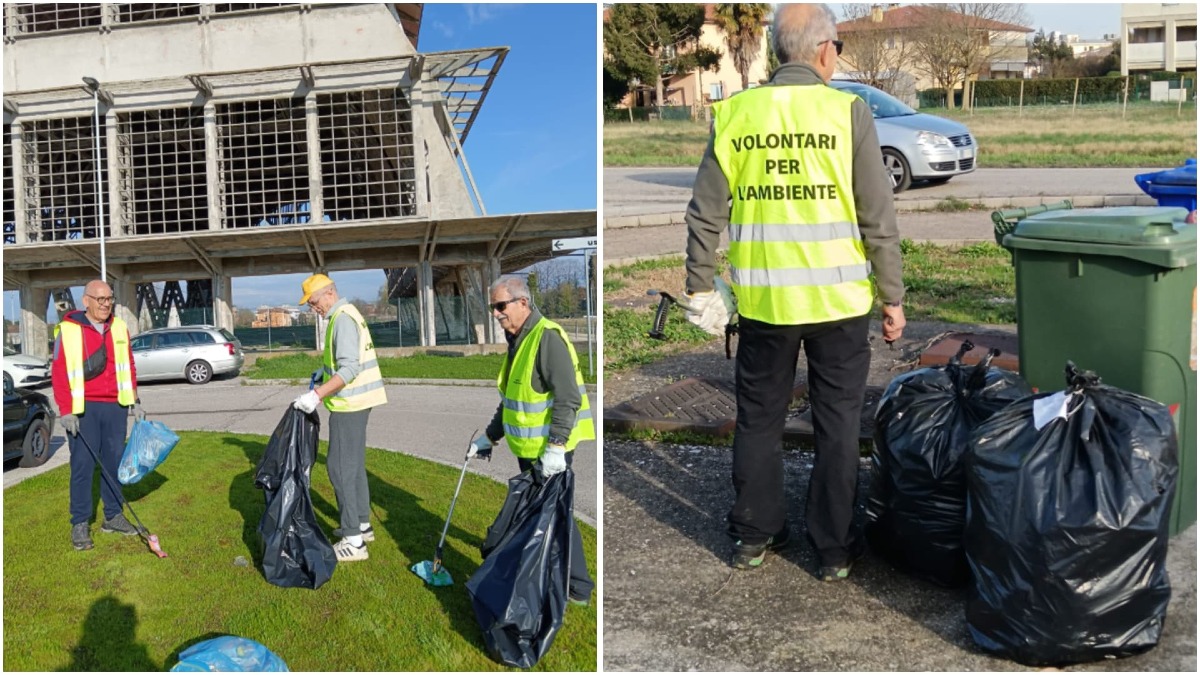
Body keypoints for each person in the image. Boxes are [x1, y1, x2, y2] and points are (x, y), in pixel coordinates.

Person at [681, 3, 906, 582]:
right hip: (839, 306)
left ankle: (755, 535)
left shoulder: (734, 114)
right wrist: (892, 296)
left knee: (758, 420)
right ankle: (832, 549)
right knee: (838, 423)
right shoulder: (847, 112)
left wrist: (698, 287)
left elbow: (705, 212)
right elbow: (876, 214)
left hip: (765, 306)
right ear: (825, 49)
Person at [467, 275, 596, 605]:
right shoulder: (519, 339)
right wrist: (489, 437)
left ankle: (578, 587)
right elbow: (512, 400)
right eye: (493, 307)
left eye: (500, 306)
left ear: (522, 303)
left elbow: (568, 398)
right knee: (545, 516)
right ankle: (555, 578)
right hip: (530, 449)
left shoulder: (546, 337)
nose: (496, 313)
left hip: (550, 450)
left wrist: (555, 448)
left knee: (555, 515)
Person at [293, 274, 388, 562]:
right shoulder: (347, 314)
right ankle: (362, 524)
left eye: (313, 302)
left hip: (350, 404)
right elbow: (341, 362)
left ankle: (353, 542)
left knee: (339, 469)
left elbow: (349, 370)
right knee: (354, 466)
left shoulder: (342, 319)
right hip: (358, 402)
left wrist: (316, 395)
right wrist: (323, 373)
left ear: (328, 293)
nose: (313, 308)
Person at [52, 279, 143, 551]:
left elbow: (129, 366)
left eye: (109, 299)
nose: (106, 304)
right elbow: (58, 372)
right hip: (83, 409)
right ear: (86, 301)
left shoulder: (119, 327)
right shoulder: (68, 330)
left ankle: (113, 516)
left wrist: (135, 400)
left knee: (113, 463)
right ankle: (80, 522)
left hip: (115, 407)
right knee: (82, 466)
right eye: (100, 299)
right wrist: (66, 411)